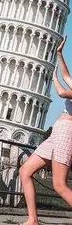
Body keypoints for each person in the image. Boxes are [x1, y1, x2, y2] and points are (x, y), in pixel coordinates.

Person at [19, 35, 72, 225]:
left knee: (59, 185)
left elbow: (62, 91)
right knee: (25, 171)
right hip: (57, 132)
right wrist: (59, 54)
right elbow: (67, 77)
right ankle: (32, 219)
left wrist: (53, 79)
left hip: (67, 133)